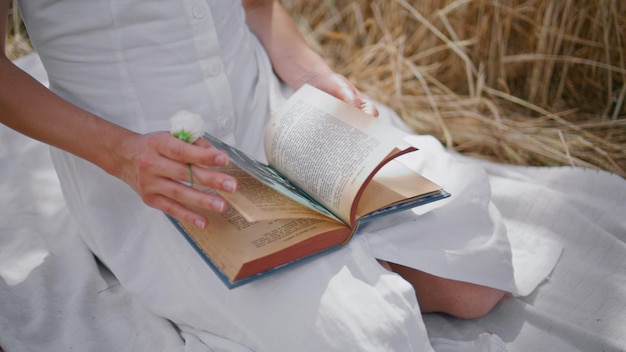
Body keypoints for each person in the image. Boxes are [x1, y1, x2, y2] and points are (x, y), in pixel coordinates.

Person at [1, 0, 550, 350]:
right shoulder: (138, 161)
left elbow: (255, 6)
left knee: (474, 270)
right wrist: (122, 155)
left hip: (267, 115)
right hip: (156, 165)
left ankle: (338, 258)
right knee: (369, 338)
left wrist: (314, 74)